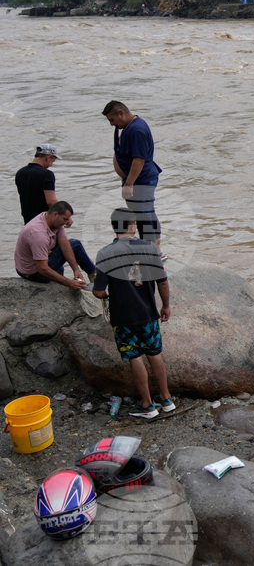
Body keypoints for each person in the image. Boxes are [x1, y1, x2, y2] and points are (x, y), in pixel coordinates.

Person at [92, 207, 173, 419]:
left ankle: (147, 405)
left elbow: (99, 291)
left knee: (135, 356)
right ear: (133, 225)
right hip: (148, 313)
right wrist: (165, 305)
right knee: (154, 353)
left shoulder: (105, 253)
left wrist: (108, 295)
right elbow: (162, 282)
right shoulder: (149, 248)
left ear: (113, 227)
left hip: (123, 317)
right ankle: (166, 399)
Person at [102, 101, 163, 259]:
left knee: (143, 216)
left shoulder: (136, 130)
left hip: (140, 180)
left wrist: (129, 184)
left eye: (112, 120)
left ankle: (152, 253)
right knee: (147, 213)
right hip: (137, 179)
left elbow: (139, 160)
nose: (111, 124)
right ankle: (155, 248)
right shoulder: (126, 126)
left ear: (121, 113)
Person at [14, 201, 95, 289]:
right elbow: (42, 269)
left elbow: (65, 245)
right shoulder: (39, 234)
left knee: (74, 244)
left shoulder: (49, 218)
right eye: (65, 219)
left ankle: (93, 275)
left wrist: (76, 269)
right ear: (55, 214)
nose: (67, 223)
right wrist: (69, 283)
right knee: (75, 244)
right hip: (32, 273)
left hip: (37, 263)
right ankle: (95, 279)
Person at [14, 143, 60, 224]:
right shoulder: (47, 174)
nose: (51, 165)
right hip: (43, 221)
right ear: (48, 157)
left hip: (28, 221)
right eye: (52, 161)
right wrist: (66, 212)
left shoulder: (20, 173)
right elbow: (51, 201)